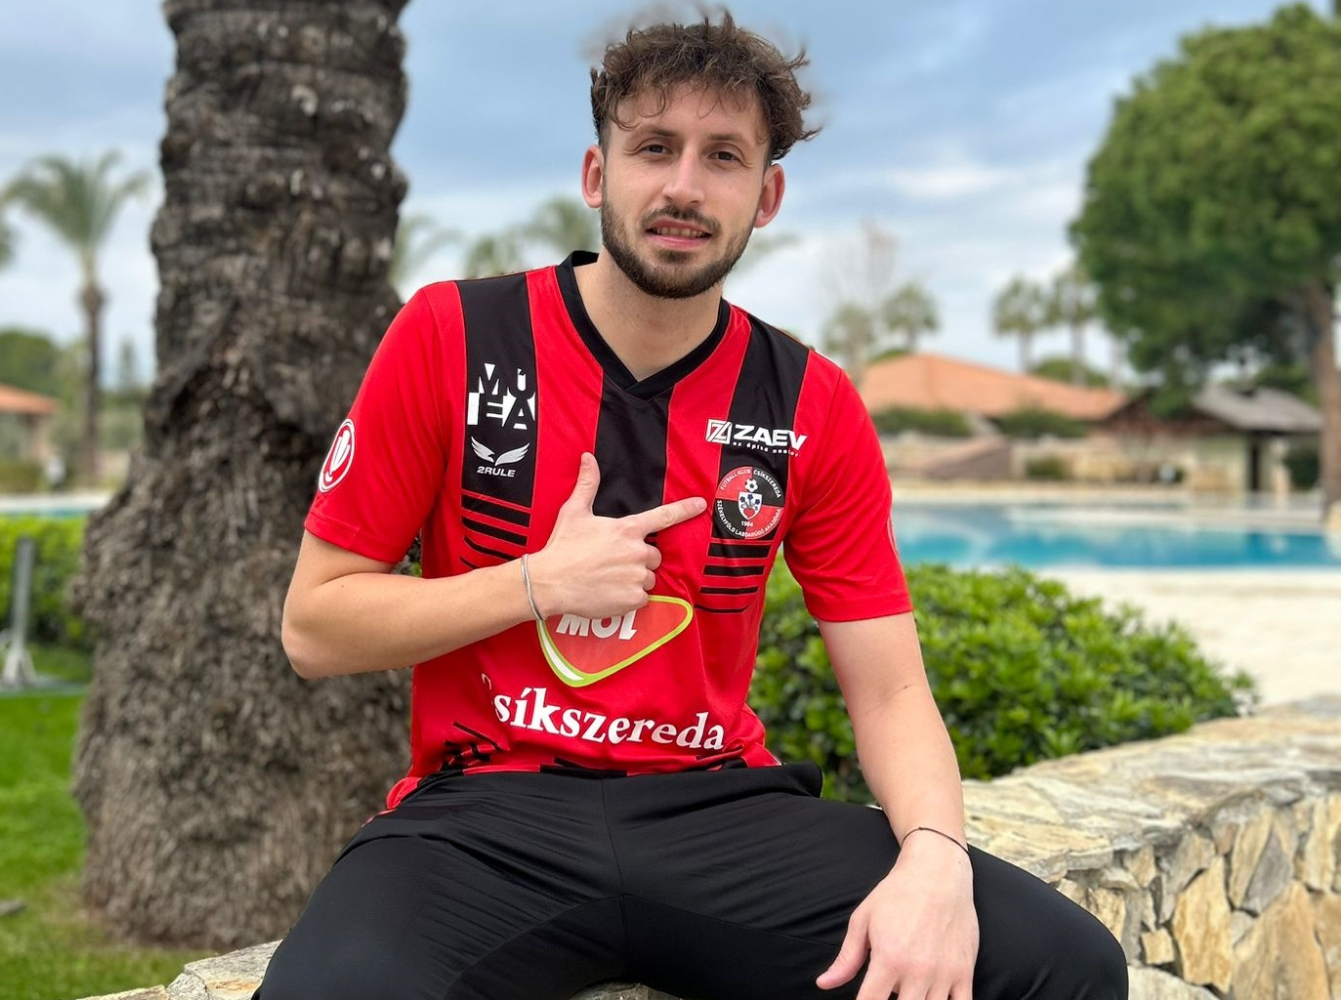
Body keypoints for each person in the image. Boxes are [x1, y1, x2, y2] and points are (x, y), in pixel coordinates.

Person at [257, 12, 1128, 1000]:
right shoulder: (452, 336)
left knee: (1062, 963)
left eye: (724, 156)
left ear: (767, 195)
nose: (684, 186)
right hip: (485, 820)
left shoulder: (810, 402)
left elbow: (889, 691)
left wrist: (934, 854)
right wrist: (537, 583)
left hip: (718, 816)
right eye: (654, 148)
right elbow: (314, 627)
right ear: (598, 174)